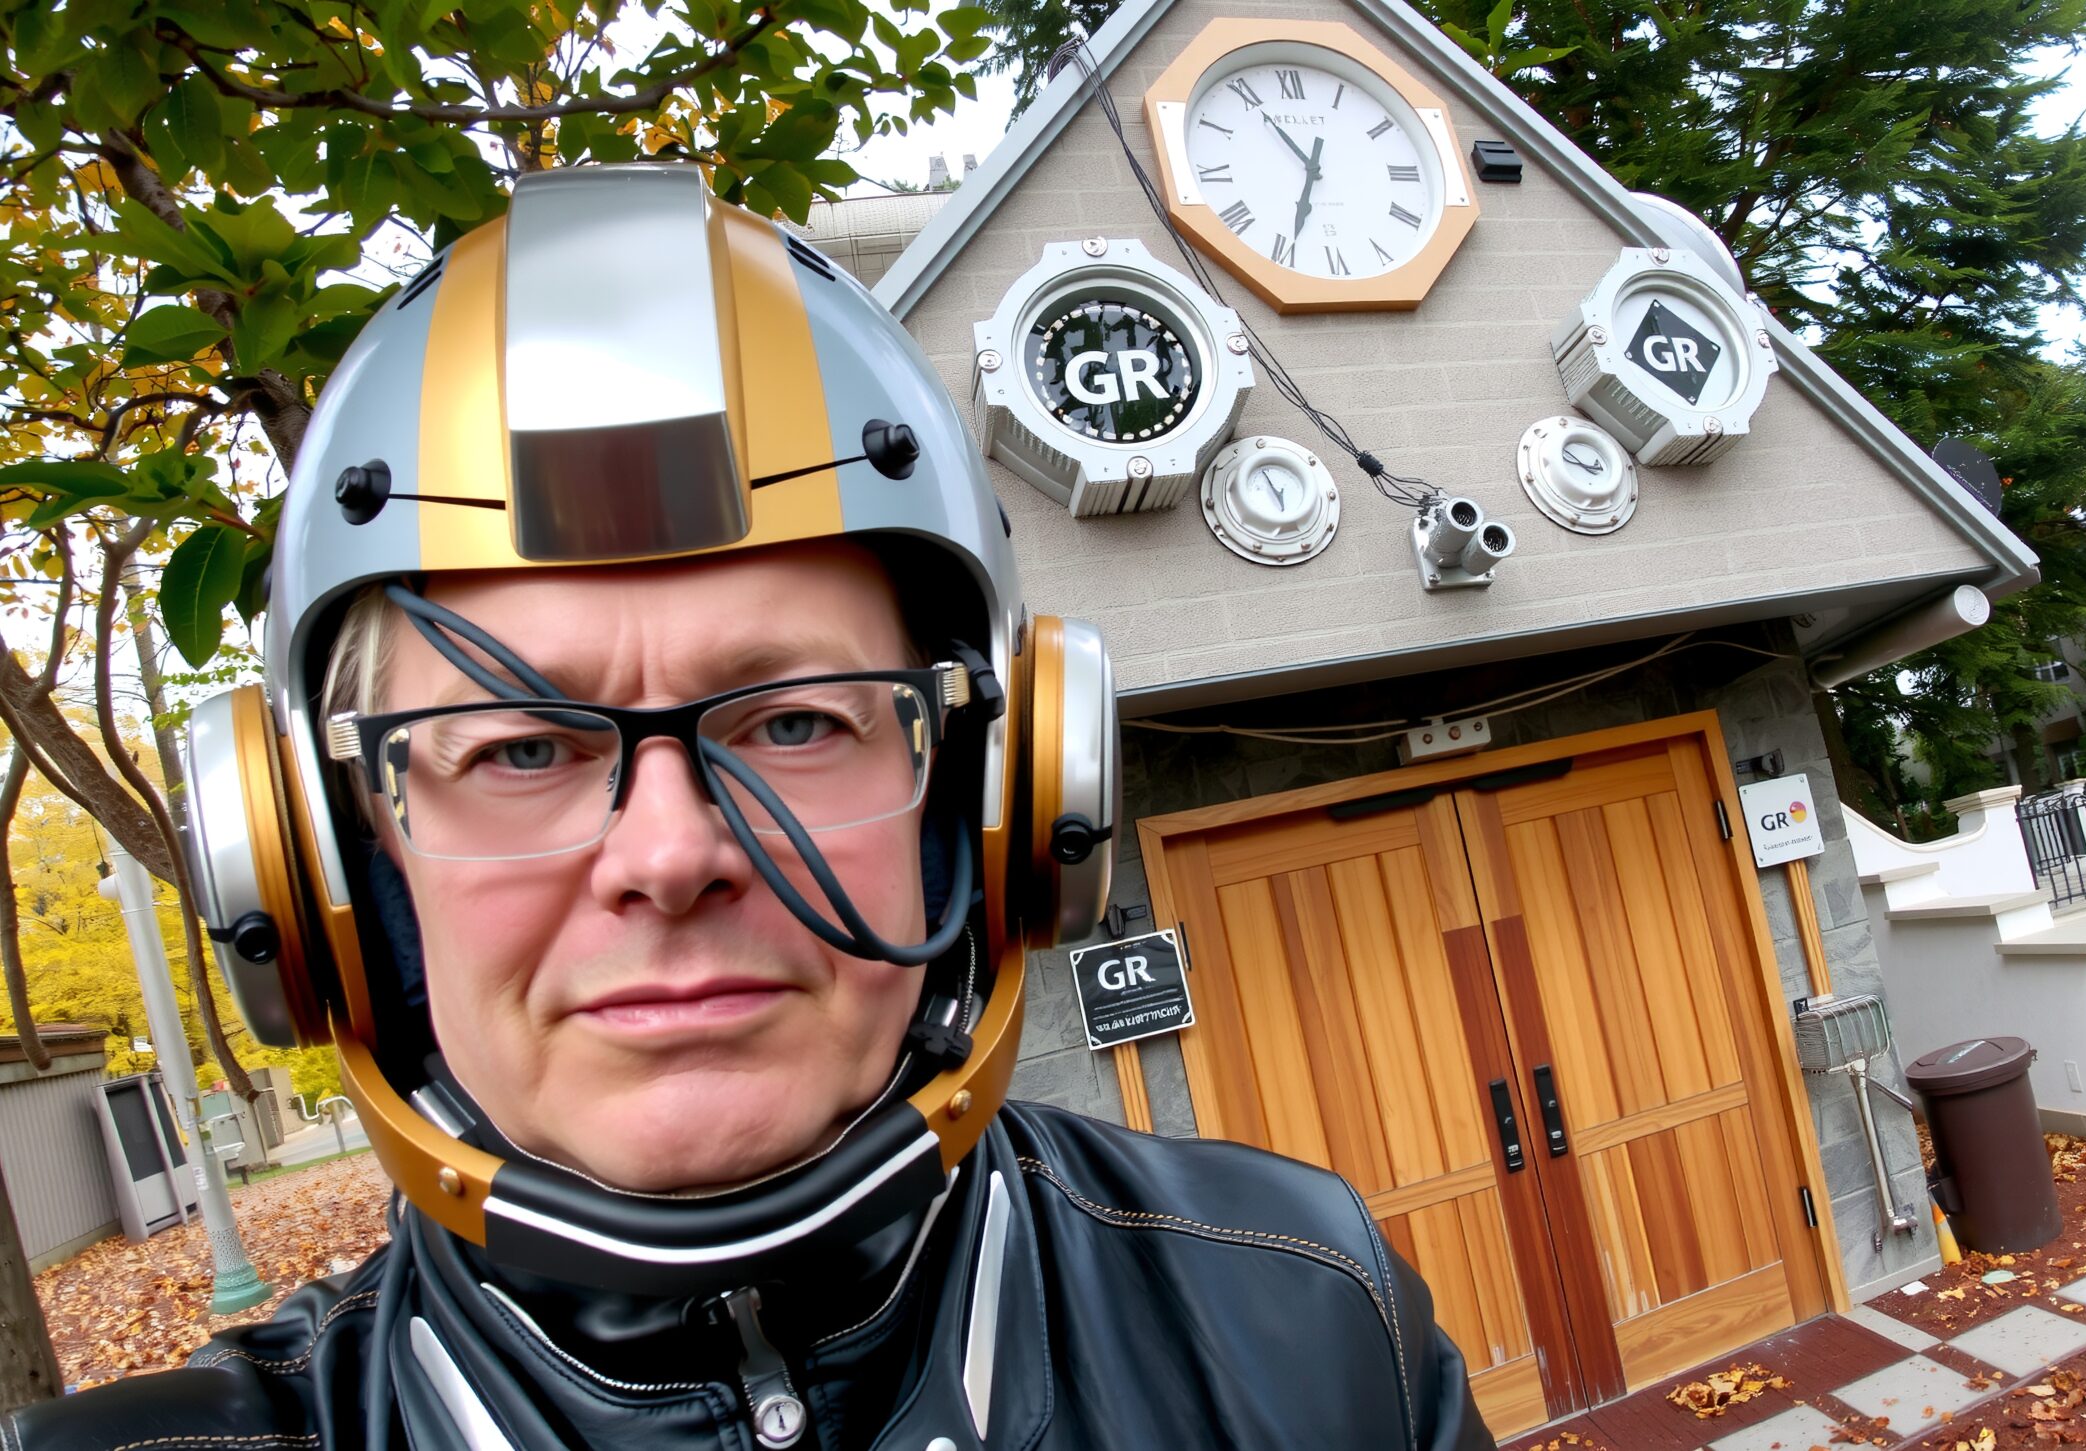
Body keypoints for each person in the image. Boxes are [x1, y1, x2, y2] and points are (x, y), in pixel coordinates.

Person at [18, 162, 1490, 1451]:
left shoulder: (1314, 1312)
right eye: (517, 749)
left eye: (793, 724)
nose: (670, 855)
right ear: (322, 868)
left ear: (1000, 799)